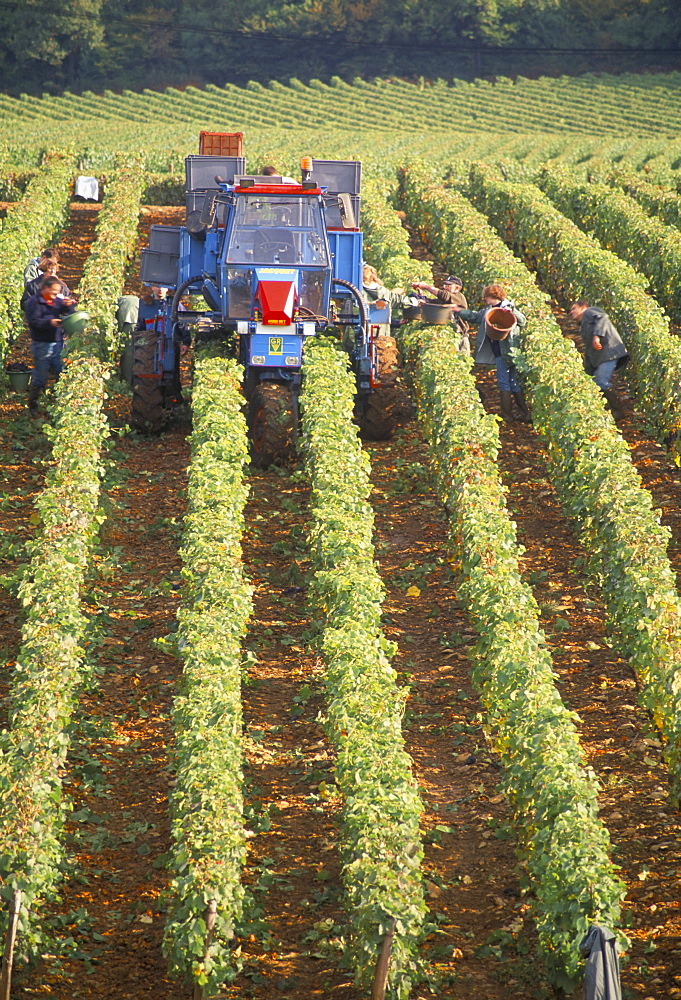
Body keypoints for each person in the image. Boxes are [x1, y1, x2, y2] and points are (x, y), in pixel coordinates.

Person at [452, 283, 531, 423]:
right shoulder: (490, 309)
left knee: (504, 383)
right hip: (504, 352)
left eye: (487, 297)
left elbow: (522, 321)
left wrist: (511, 311)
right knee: (513, 383)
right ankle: (524, 414)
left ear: (492, 296)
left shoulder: (507, 308)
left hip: (505, 352)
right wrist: (458, 311)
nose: (485, 300)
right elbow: (475, 316)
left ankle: (507, 416)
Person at [569, 301, 629, 418]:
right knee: (594, 382)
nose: (571, 312)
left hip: (609, 353)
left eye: (574, 308)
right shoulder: (584, 324)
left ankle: (618, 411)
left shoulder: (589, 312)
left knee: (600, 381)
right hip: (603, 356)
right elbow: (589, 350)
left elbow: (603, 317)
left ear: (583, 307)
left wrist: (597, 336)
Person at [24, 275, 76, 409]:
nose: (56, 295)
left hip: (57, 342)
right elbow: (33, 322)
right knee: (40, 377)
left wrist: (69, 306)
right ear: (45, 289)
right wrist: (50, 322)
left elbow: (68, 313)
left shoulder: (56, 300)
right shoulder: (34, 303)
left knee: (62, 373)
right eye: (54, 292)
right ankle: (33, 407)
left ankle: (57, 404)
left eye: (58, 292)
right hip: (41, 344)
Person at [412, 275, 470, 353]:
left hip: (460, 336)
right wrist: (422, 297)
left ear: (457, 288)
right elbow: (433, 302)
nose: (446, 287)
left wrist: (426, 286)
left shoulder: (458, 297)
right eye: (445, 285)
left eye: (449, 285)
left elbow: (443, 295)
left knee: (462, 358)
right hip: (450, 335)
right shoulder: (445, 300)